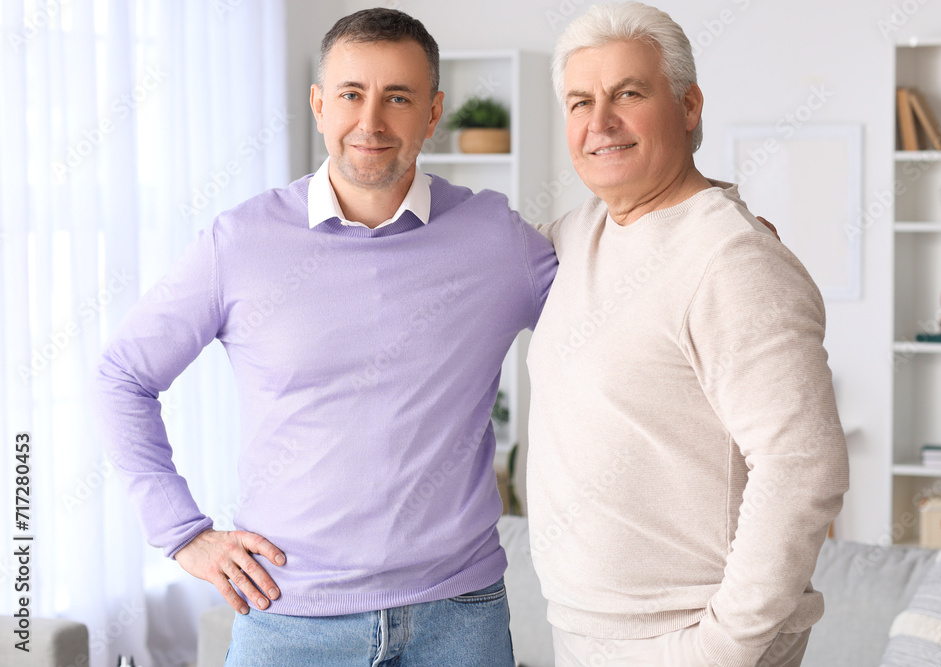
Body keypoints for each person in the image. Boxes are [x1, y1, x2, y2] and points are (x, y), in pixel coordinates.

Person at [92, 8, 556, 665]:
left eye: (398, 97)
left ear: (433, 113)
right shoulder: (239, 243)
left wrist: (718, 224)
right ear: (318, 105)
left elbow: (617, 311)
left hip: (459, 619)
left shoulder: (497, 240)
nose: (370, 122)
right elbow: (121, 376)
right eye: (350, 94)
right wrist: (182, 533)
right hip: (289, 620)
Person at [525, 3, 850, 666]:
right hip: (582, 633)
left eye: (629, 94)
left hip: (686, 642)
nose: (600, 123)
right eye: (580, 102)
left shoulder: (732, 259)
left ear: (690, 105)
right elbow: (456, 270)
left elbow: (801, 464)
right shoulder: (578, 232)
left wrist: (722, 647)